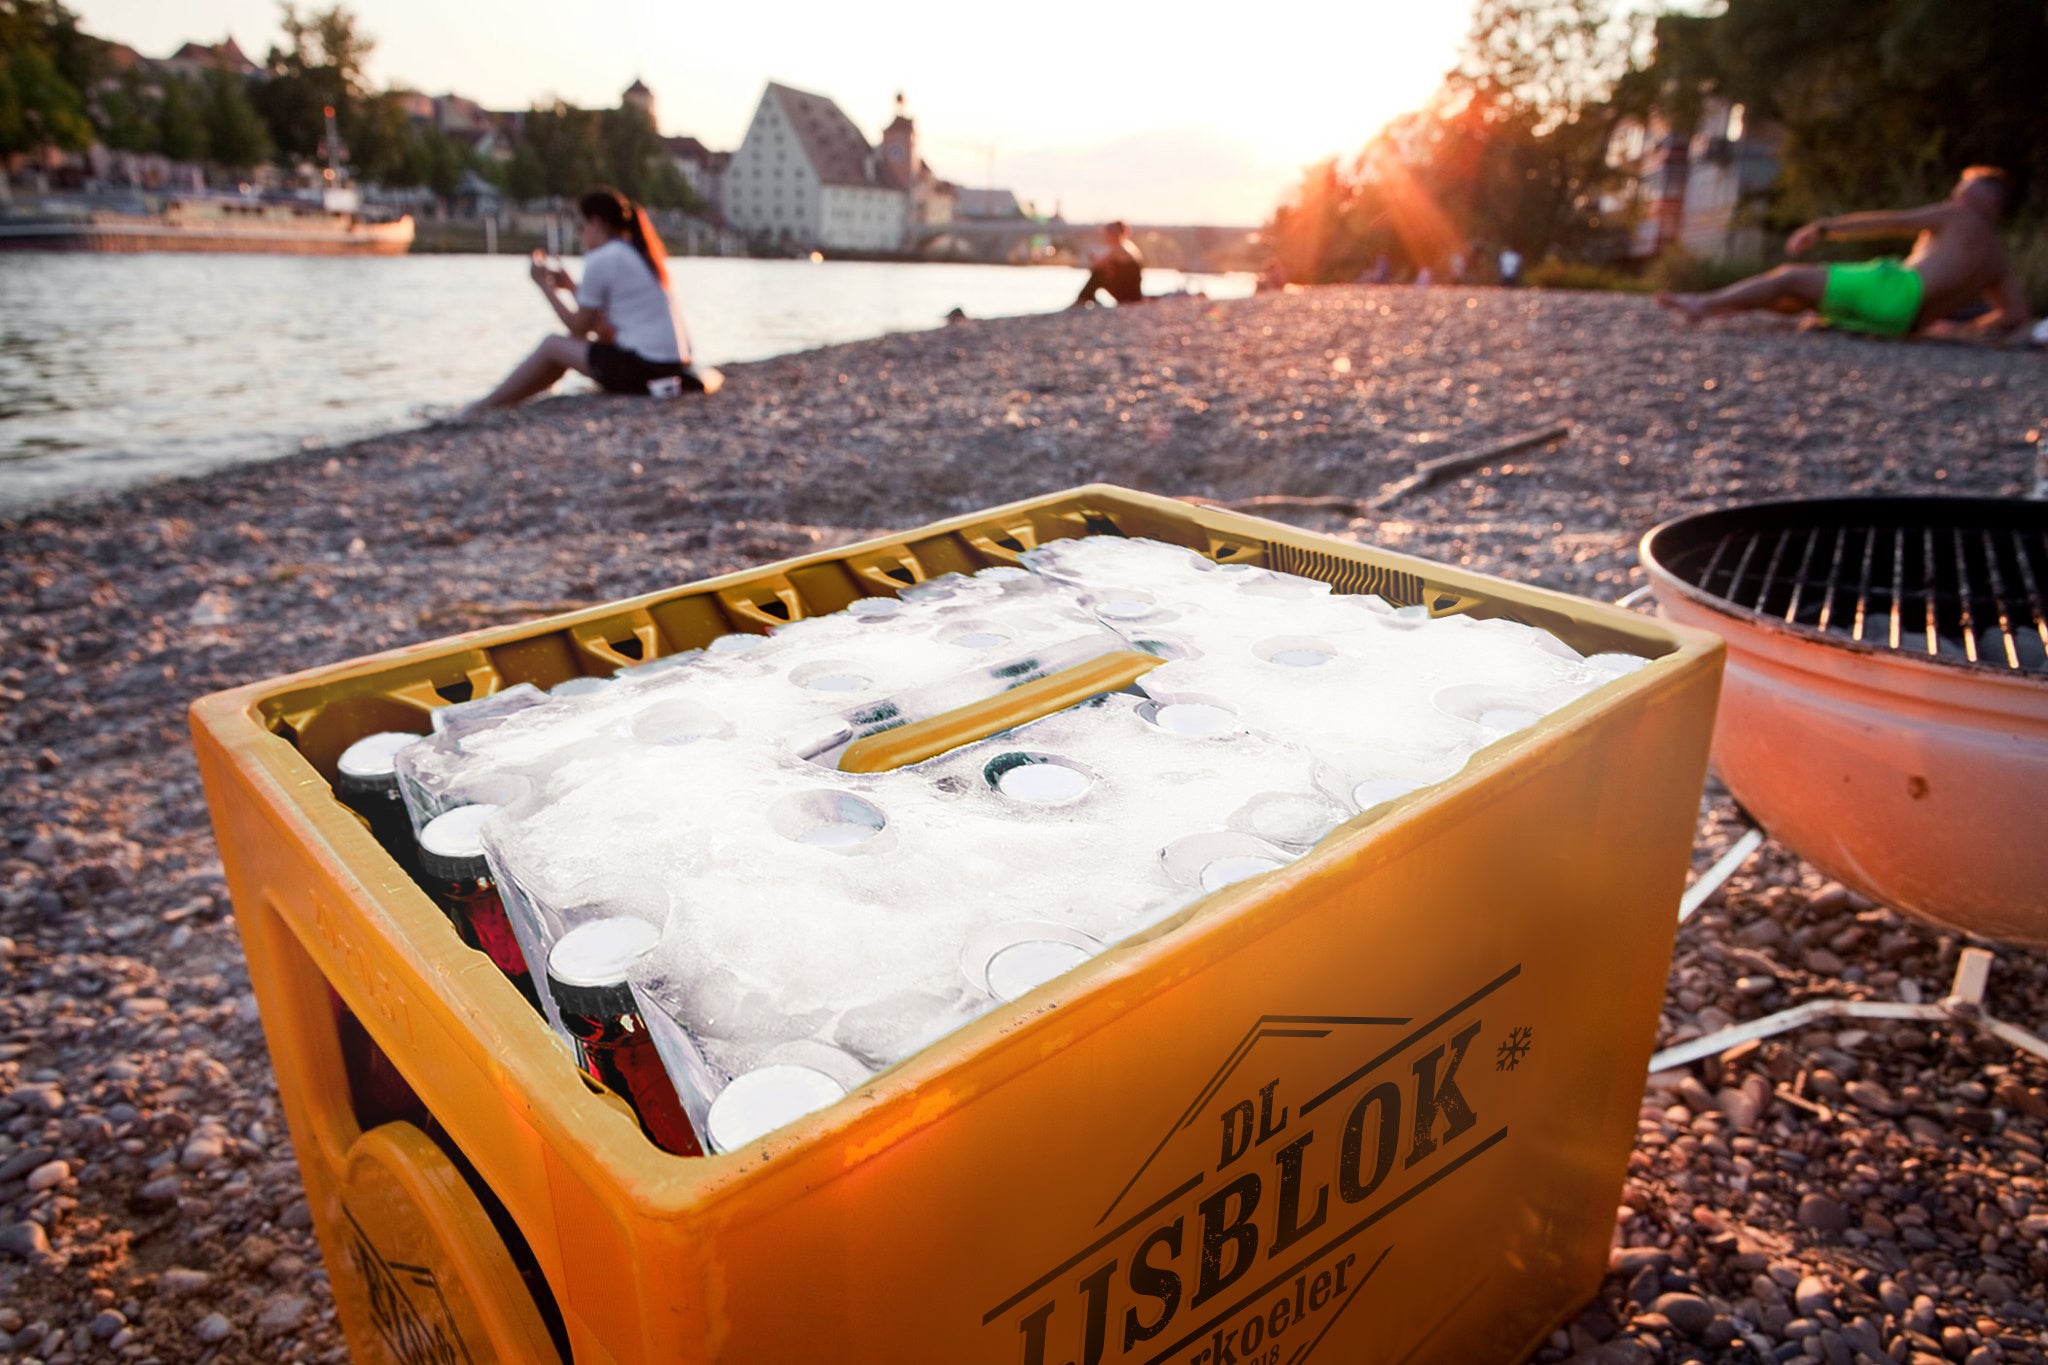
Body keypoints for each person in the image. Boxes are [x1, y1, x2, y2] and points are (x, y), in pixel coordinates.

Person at [1654, 167, 2030, 340]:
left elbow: (1891, 221)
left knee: (1790, 277)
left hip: (1896, 288)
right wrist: (1962, 329)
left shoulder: (1959, 216)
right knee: (1801, 296)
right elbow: (2015, 315)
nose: (1956, 192)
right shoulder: (1997, 259)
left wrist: (1824, 228)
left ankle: (1704, 305)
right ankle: (1723, 307)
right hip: (1904, 323)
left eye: (1964, 187)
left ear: (1986, 199)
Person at [470, 188, 702, 412]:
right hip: (670, 368)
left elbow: (579, 327)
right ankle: (503, 403)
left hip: (645, 370)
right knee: (568, 347)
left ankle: (484, 407)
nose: (580, 234)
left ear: (596, 223)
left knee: (552, 344)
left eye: (581, 227)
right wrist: (571, 287)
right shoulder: (633, 252)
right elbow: (603, 326)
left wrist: (543, 285)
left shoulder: (603, 257)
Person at [1071, 221, 1144, 307]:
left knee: (1098, 275)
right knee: (1101, 273)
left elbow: (1097, 267)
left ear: (1113, 234)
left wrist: (1093, 258)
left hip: (1128, 296)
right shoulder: (1128, 246)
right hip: (1133, 294)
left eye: (1106, 233)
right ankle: (1087, 298)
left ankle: (1083, 299)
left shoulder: (1118, 248)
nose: (1104, 236)